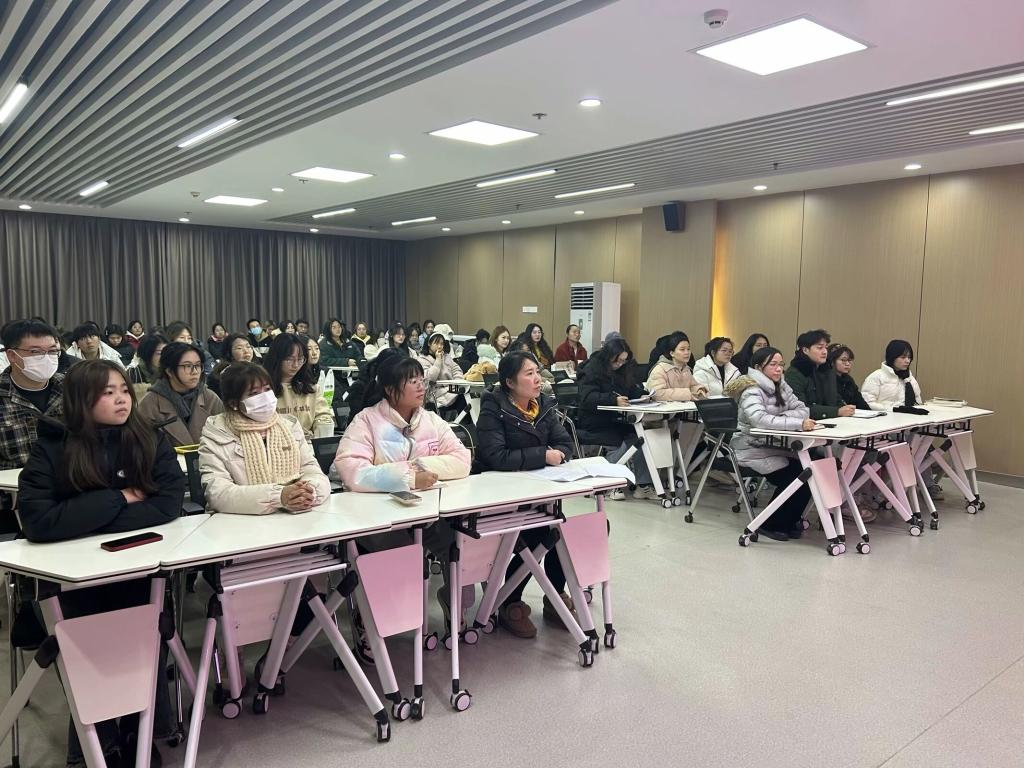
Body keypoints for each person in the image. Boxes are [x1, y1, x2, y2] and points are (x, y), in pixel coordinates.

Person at [17, 359, 184, 766]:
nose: (121, 399)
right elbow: (38, 521)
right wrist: (119, 498)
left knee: (143, 641)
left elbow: (168, 503)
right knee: (90, 657)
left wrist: (84, 519)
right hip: (76, 580)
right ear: (81, 399)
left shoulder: (148, 437)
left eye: (124, 390)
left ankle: (140, 732)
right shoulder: (53, 445)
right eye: (108, 393)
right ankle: (97, 742)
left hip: (139, 568)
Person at [476, 352, 576, 637]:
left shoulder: (542, 404)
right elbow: (496, 456)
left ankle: (555, 596)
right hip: (500, 496)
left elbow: (565, 443)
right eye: (529, 373)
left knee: (560, 530)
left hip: (537, 491)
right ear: (509, 382)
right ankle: (510, 602)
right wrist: (543, 455)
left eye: (537, 372)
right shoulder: (493, 408)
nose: (537, 379)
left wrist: (556, 454)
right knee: (536, 535)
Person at [198, 362, 330, 515]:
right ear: (234, 403)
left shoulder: (289, 426)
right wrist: (278, 497)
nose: (265, 397)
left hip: (293, 516)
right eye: (254, 393)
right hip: (240, 521)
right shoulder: (217, 434)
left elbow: (311, 469)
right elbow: (218, 493)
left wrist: (308, 492)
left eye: (267, 389)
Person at [335, 353, 470, 492]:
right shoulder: (366, 421)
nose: (421, 387)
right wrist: (409, 478)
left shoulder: (431, 420)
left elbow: (462, 460)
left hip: (429, 500)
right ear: (390, 389)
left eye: (422, 380)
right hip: (379, 503)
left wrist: (419, 465)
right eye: (413, 381)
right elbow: (353, 470)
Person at [727, 347, 816, 541]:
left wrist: (781, 417)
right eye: (773, 364)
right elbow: (759, 420)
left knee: (810, 470)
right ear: (759, 367)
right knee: (795, 475)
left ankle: (790, 521)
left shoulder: (782, 385)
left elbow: (803, 409)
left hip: (774, 446)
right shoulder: (751, 389)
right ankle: (771, 523)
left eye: (781, 364)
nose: (778, 369)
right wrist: (795, 422)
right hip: (750, 448)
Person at [576, 337, 652, 500]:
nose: (620, 364)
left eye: (623, 361)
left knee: (639, 437)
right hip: (594, 420)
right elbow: (587, 398)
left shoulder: (622, 370)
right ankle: (607, 482)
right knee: (620, 439)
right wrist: (612, 400)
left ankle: (643, 485)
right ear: (608, 356)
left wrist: (642, 395)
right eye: (617, 361)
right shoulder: (591, 369)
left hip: (615, 419)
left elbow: (629, 390)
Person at [0, 319, 65, 470]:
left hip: (70, 479)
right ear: (12, 355)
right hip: (13, 482)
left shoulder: (71, 387)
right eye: (35, 352)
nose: (46, 358)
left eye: (52, 351)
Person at [138, 341, 224, 447]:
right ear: (169, 371)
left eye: (197, 365)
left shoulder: (210, 398)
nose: (195, 371)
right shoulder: (149, 404)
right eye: (187, 366)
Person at [264, 333, 334, 440]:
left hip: (308, 443)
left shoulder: (311, 388)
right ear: (277, 358)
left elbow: (323, 415)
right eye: (290, 359)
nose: (296, 365)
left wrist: (321, 432)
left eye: (300, 359)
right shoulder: (263, 389)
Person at [784, 329, 856, 420]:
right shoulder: (795, 373)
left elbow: (834, 397)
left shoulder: (826, 369)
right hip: (805, 423)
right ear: (805, 350)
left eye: (826, 347)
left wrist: (845, 407)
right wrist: (837, 411)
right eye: (820, 348)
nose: (825, 352)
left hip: (829, 420)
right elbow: (801, 408)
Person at [862, 340, 924, 412]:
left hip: (909, 417)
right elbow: (867, 403)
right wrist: (894, 409)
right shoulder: (876, 376)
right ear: (892, 357)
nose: (907, 361)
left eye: (909, 357)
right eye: (903, 357)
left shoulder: (910, 378)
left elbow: (917, 403)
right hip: (884, 417)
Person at [645, 331, 707, 401]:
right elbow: (657, 394)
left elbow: (693, 386)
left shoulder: (686, 368)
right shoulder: (660, 369)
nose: (687, 352)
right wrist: (686, 394)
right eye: (682, 349)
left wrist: (699, 390)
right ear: (672, 353)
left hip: (682, 407)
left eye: (688, 349)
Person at [417, 332, 465, 411]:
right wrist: (438, 360)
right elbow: (430, 377)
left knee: (467, 393)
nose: (439, 346)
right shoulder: (422, 359)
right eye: (436, 343)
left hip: (451, 387)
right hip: (436, 392)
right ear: (429, 344)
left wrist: (458, 381)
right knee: (462, 397)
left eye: (442, 344)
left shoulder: (446, 356)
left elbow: (456, 369)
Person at [827, 343, 870, 411]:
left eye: (849, 360)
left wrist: (870, 412)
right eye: (843, 360)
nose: (847, 364)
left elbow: (860, 401)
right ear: (832, 361)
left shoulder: (848, 380)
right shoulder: (827, 380)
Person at [126, 333, 168, 399]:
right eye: (159, 353)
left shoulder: (170, 373)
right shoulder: (133, 374)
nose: (164, 356)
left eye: (166, 352)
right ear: (148, 353)